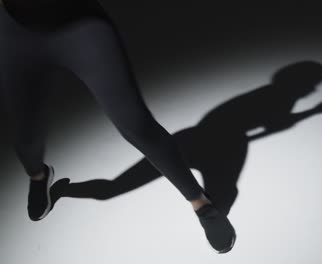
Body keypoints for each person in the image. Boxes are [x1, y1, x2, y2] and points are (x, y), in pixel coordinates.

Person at [0, 0, 236, 253]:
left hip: (79, 26)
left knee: (136, 125)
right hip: (14, 33)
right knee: (25, 137)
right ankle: (39, 176)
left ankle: (201, 203)